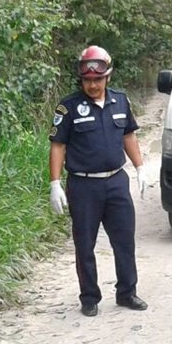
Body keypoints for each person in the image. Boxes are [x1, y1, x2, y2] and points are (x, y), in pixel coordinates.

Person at [48, 46, 149, 315]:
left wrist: (140, 168)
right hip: (83, 185)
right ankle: (89, 297)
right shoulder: (68, 107)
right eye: (87, 80)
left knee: (124, 241)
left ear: (108, 77)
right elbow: (57, 145)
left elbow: (129, 135)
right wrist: (55, 183)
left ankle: (127, 292)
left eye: (98, 79)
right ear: (81, 80)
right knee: (85, 244)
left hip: (116, 181)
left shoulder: (121, 101)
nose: (92, 84)